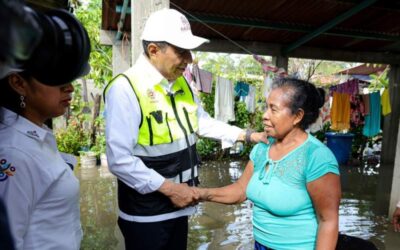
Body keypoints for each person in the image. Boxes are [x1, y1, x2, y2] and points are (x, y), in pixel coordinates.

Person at [104, 8, 267, 250]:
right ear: (153, 50)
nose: (189, 59)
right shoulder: (125, 89)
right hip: (147, 214)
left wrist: (247, 135)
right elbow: (119, 160)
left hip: (180, 205)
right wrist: (171, 190)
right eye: (181, 51)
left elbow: (200, 121)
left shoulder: (182, 83)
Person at [195, 78, 342, 250]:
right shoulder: (262, 148)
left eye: (273, 109)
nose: (265, 115)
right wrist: (198, 194)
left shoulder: (316, 157)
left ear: (297, 116)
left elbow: (328, 221)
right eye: (266, 107)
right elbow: (241, 190)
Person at [0, 7, 90, 250]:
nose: (69, 88)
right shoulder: (13, 152)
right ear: (18, 83)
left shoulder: (35, 135)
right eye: (56, 77)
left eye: (70, 78)